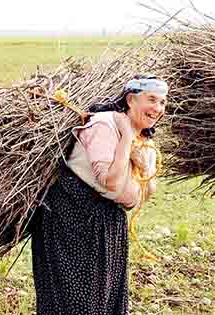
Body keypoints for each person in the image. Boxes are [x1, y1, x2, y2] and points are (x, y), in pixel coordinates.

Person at [31, 75, 168, 315]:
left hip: (108, 224)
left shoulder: (145, 139)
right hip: (73, 219)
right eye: (152, 100)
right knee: (75, 302)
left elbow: (147, 191)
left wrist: (141, 164)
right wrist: (126, 140)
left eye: (163, 102)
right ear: (130, 99)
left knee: (105, 299)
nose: (157, 108)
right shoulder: (104, 125)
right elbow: (111, 182)